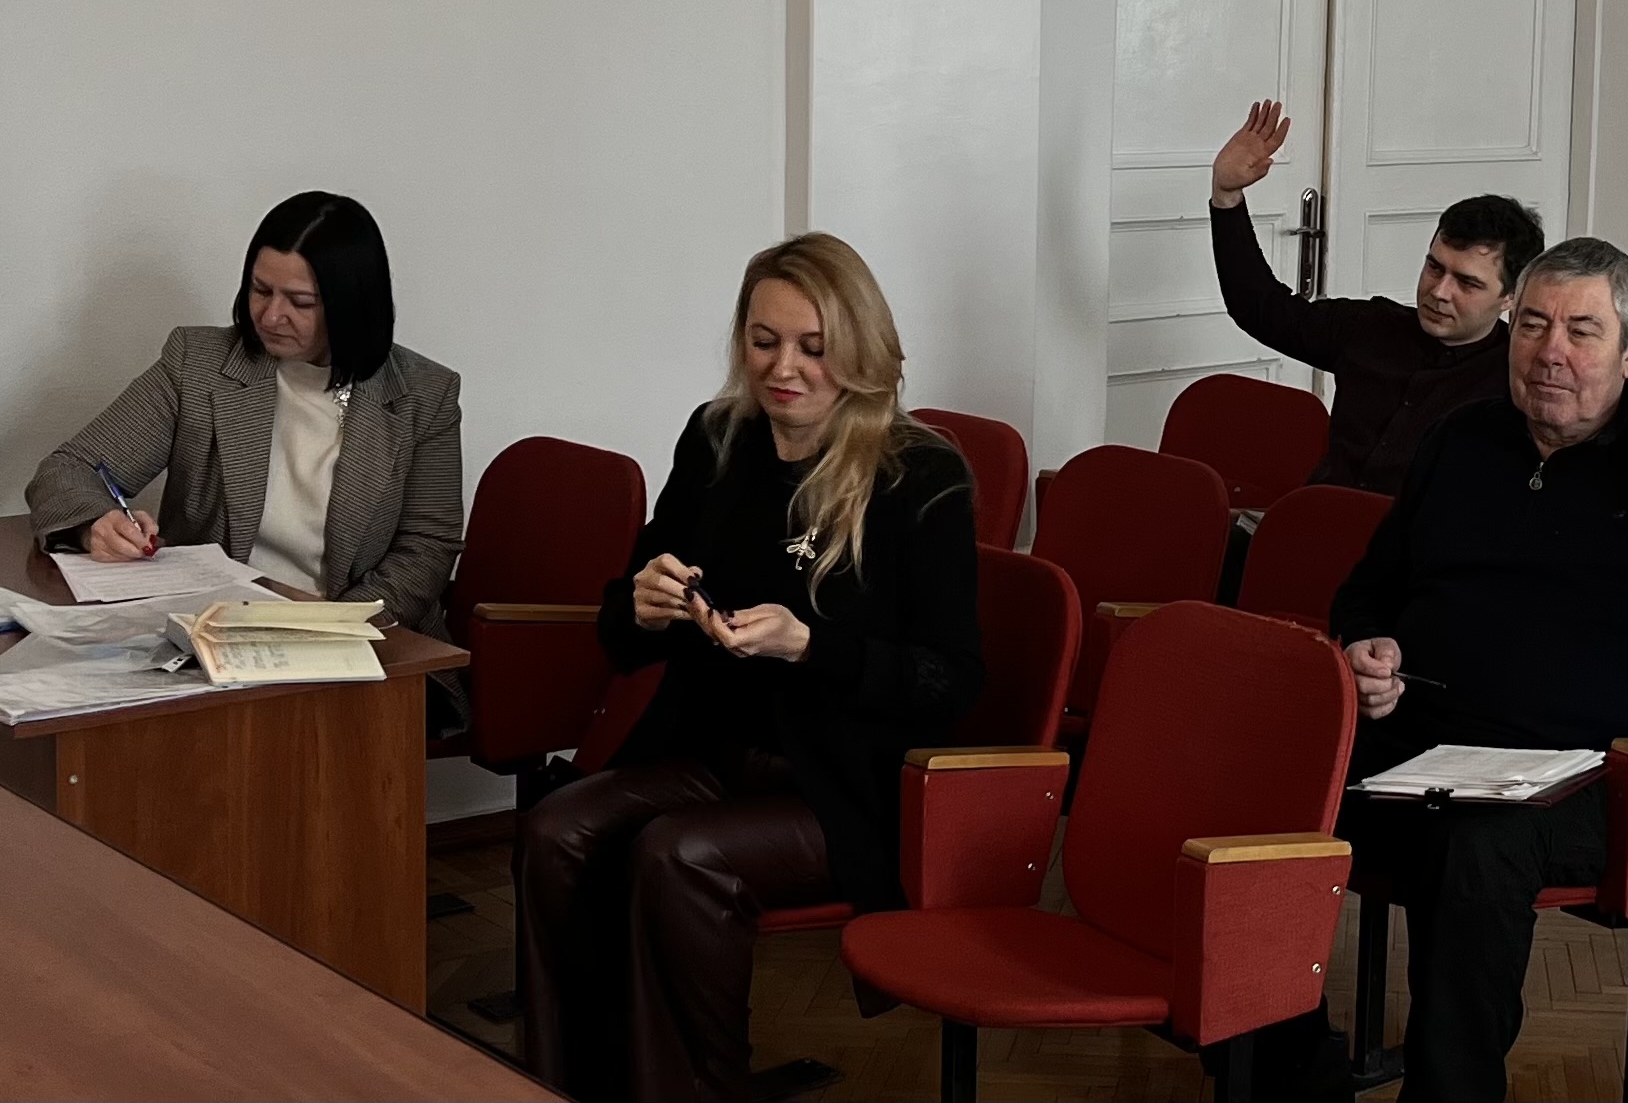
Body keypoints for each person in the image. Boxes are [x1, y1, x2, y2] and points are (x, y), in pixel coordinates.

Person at [1262, 236, 1628, 1101]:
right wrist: (1366, 643)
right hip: (1425, 749)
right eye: (1532, 324)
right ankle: (1291, 1072)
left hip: (1588, 779)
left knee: (1477, 844)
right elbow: (1367, 588)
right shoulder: (1459, 439)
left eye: (1581, 331)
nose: (1550, 352)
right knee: (1262, 777)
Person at [517, 232, 982, 1103]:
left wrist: (811, 645)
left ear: (860, 347)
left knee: (677, 856)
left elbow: (949, 681)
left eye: (813, 346)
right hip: (710, 750)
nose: (783, 368)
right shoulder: (717, 436)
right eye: (763, 341)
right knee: (555, 830)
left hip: (843, 785)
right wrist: (643, 603)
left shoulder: (920, 473)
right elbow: (627, 624)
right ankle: (562, 1083)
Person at [23, 191, 466, 728]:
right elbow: (70, 469)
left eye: (300, 302)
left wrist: (334, 627)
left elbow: (428, 545)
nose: (271, 315)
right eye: (260, 290)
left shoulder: (423, 395)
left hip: (358, 644)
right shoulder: (198, 364)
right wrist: (97, 523)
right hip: (211, 640)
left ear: (351, 302)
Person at [1209, 99, 1544, 495]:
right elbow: (1261, 309)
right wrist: (1226, 196)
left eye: (1467, 283)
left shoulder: (1522, 380)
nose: (1439, 292)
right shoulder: (1370, 328)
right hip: (1319, 522)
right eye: (1434, 267)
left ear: (1511, 296)